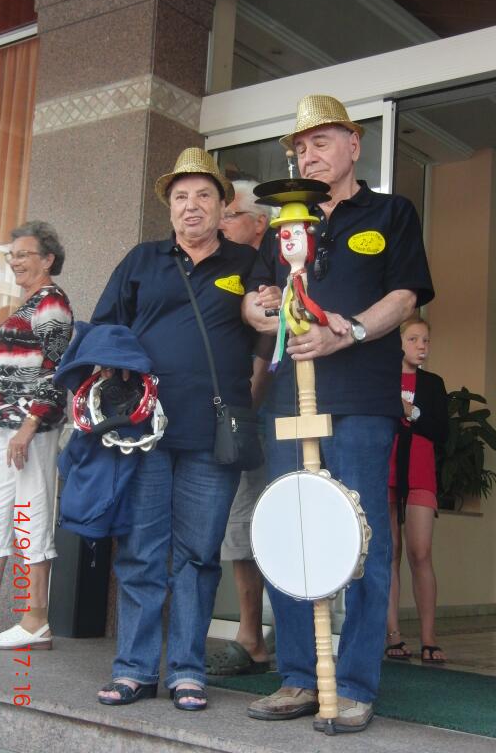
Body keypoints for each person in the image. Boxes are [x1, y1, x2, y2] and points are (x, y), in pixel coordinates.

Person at [242, 94, 434, 733]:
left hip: (361, 401)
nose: (309, 155)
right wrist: (260, 308)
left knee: (362, 536)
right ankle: (299, 676)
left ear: (354, 144)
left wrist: (344, 332)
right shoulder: (285, 224)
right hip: (289, 402)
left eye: (320, 142)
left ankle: (353, 684)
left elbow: (405, 296)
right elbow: (256, 300)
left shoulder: (391, 212)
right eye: (300, 147)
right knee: (290, 532)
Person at [93, 148, 258, 711]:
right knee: (141, 552)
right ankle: (135, 669)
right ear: (169, 207)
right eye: (181, 197)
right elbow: (105, 329)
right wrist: (112, 380)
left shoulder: (247, 263)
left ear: (222, 205)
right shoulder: (142, 260)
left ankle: (187, 670)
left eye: (203, 195)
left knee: (199, 554)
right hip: (144, 430)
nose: (192, 206)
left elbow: (267, 328)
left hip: (212, 433)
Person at [0, 220, 73, 650]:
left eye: (23, 254)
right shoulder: (28, 303)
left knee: (30, 515)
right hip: (6, 430)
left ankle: (35, 619)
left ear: (48, 259)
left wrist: (29, 425)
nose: (15, 261)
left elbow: (56, 370)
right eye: (12, 255)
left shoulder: (52, 302)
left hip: (30, 431)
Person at [206, 181, 274, 676]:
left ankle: (272, 638)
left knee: (273, 524)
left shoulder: (275, 269)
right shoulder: (226, 269)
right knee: (242, 526)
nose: (221, 221)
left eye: (231, 214)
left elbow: (266, 351)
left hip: (269, 414)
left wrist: (244, 407)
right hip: (236, 415)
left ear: (260, 223)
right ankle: (252, 636)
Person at [385, 316, 448, 664]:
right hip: (386, 473)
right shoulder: (383, 378)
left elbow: (442, 431)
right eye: (413, 339)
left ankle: (429, 636)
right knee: (389, 552)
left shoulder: (433, 384)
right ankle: (393, 634)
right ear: (399, 343)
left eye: (426, 340)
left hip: (421, 475)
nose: (421, 346)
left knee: (420, 553)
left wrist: (412, 412)